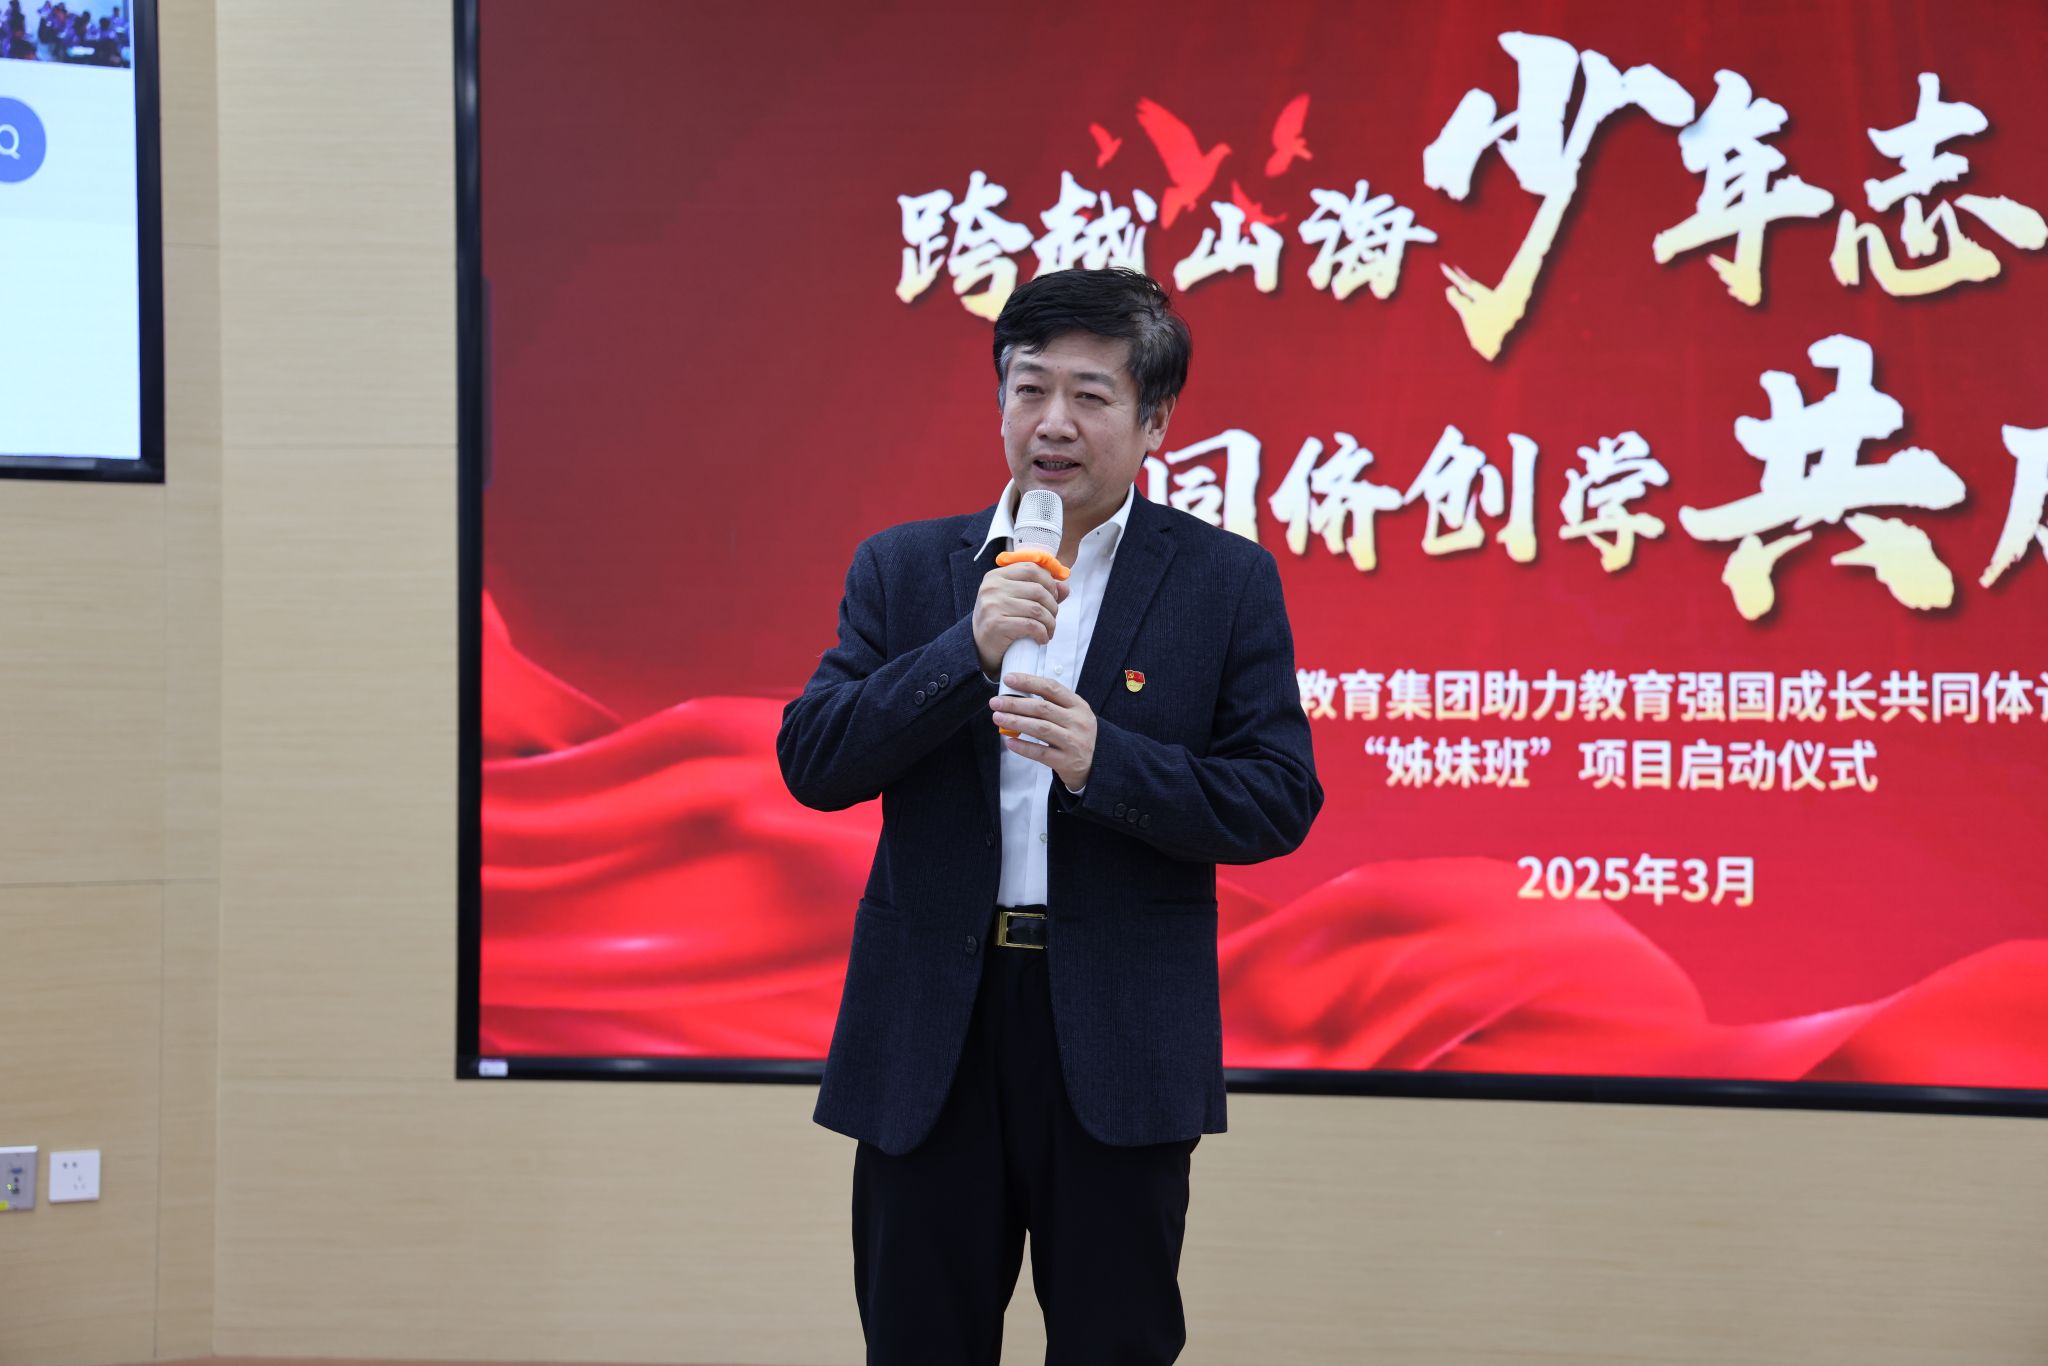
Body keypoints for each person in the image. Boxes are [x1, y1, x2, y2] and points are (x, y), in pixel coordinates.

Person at [778, 266, 1322, 1364]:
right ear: (1000, 403)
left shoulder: (1222, 581)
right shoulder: (906, 569)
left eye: (1090, 394)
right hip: (932, 1033)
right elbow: (815, 760)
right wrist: (964, 650)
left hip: (1118, 1036)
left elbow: (1276, 797)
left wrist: (1103, 763)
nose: (1053, 422)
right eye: (1029, 389)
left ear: (1153, 420)